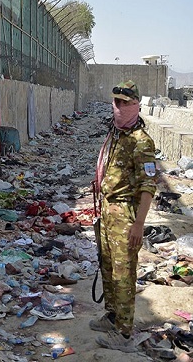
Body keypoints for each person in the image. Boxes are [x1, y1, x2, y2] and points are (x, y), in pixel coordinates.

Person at [90, 80, 157, 352]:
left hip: (126, 216)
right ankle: (113, 315)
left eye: (124, 103)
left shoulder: (141, 142)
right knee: (107, 266)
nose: (118, 107)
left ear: (136, 105)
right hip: (108, 212)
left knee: (123, 273)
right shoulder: (118, 134)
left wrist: (138, 224)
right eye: (115, 102)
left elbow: (148, 186)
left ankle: (125, 333)